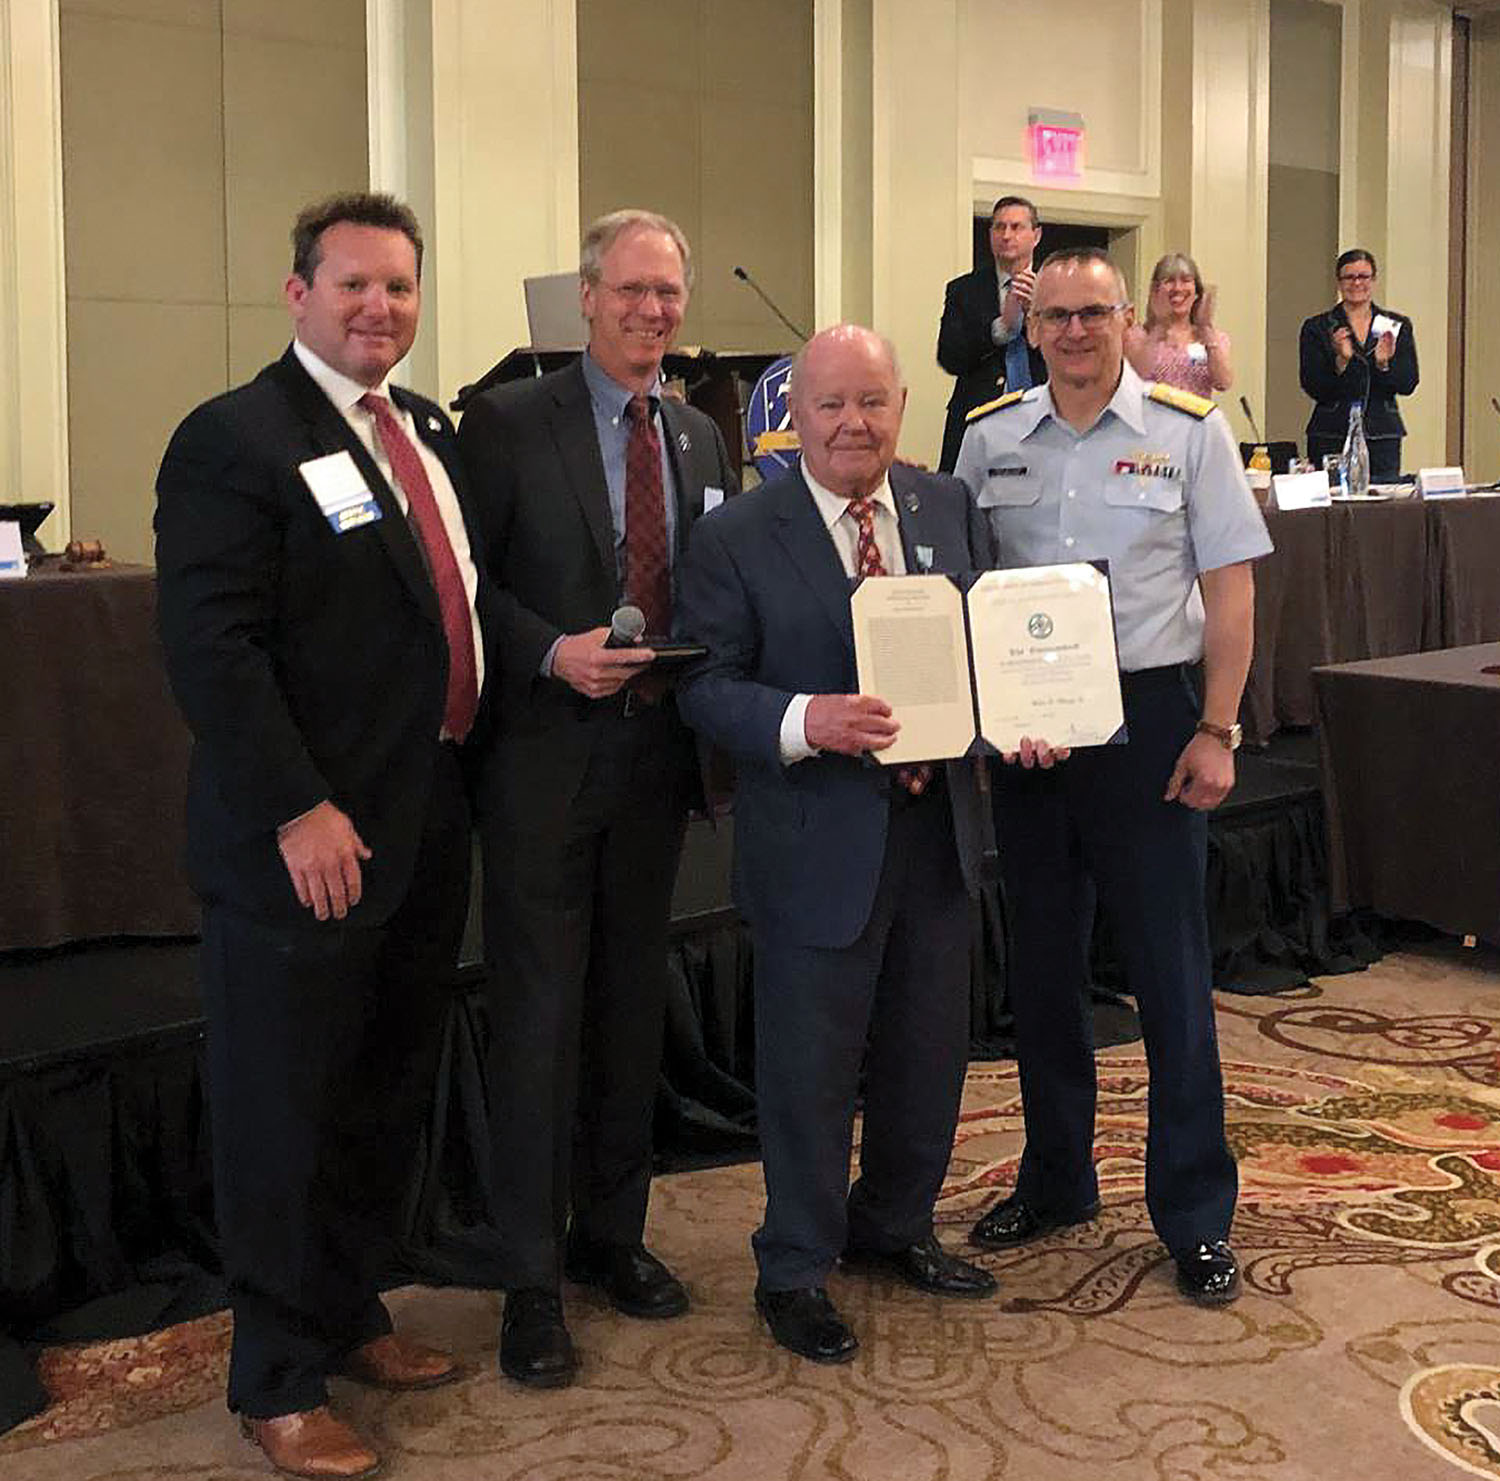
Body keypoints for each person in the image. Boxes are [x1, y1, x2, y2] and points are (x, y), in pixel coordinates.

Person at [155, 191, 481, 1479]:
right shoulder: (234, 438)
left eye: (399, 287)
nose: (378, 308)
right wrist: (299, 805)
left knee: (377, 1093)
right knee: (282, 1108)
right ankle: (275, 1377)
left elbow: (449, 609)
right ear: (297, 293)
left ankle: (350, 1312)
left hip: (421, 826)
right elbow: (212, 653)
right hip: (304, 842)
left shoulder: (424, 429)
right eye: (352, 285)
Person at [675, 324, 999, 1364]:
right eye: (830, 405)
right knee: (811, 1069)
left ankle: (894, 1224)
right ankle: (795, 1266)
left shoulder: (946, 505)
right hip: (817, 836)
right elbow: (704, 683)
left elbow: (983, 648)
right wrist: (806, 718)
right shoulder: (736, 535)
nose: (853, 423)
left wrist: (1020, 712)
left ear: (901, 404)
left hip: (937, 832)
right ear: (791, 415)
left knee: (927, 1055)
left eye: (872, 401)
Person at [954, 248, 1271, 1306]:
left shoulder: (1189, 433)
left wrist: (1220, 727)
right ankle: (1057, 1178)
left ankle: (1194, 1212)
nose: (1077, 331)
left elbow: (1228, 591)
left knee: (1171, 973)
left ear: (1129, 321)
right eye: (1057, 316)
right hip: (1033, 734)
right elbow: (965, 589)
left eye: (1095, 312)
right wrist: (996, 718)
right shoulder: (990, 438)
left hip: (1151, 723)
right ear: (1031, 326)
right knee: (1041, 971)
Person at [456, 209, 738, 1390]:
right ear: (585, 296)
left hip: (655, 764)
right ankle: (528, 1278)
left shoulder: (697, 434)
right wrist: (547, 651)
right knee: (538, 1019)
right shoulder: (507, 419)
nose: (652, 311)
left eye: (669, 293)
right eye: (631, 290)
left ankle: (609, 1237)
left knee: (631, 1008)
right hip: (541, 764)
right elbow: (462, 584)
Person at [936, 195, 1048, 472]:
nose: (1006, 235)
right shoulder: (963, 289)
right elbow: (949, 357)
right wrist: (1002, 328)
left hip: (1042, 419)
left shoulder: (1056, 287)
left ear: (1036, 235)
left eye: (1016, 227)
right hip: (978, 419)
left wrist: (1037, 318)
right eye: (999, 227)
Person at [1299, 248, 1418, 481]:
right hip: (1331, 433)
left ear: (1373, 280)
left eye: (1363, 276)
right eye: (1349, 277)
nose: (1356, 283)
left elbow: (1408, 383)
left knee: (1381, 507)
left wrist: (1384, 364)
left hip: (1381, 434)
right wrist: (1341, 361)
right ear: (1339, 282)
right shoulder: (1318, 327)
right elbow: (1313, 386)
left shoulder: (1395, 325)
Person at [1124, 252, 1233, 396]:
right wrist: (1159, 327)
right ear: (1155, 290)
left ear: (1197, 291)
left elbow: (1223, 383)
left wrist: (1206, 329)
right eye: (1169, 281)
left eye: (1186, 280)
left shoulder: (1215, 339)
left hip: (1197, 418)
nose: (1177, 288)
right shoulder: (1137, 336)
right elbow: (1134, 378)